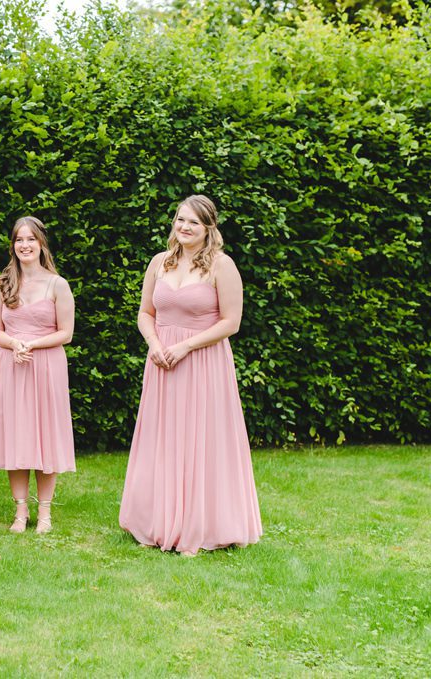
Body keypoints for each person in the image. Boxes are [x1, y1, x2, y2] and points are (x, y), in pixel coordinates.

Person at [120, 196, 263, 554]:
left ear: (208, 228)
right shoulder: (159, 262)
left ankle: (200, 525)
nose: (184, 227)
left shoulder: (222, 265)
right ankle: (158, 521)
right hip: (162, 362)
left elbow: (231, 322)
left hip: (203, 363)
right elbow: (145, 312)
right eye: (180, 220)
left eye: (193, 223)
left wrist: (186, 347)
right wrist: (154, 343)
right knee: (163, 439)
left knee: (200, 439)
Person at [0, 216, 77, 533]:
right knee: (17, 436)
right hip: (12, 365)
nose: (24, 245)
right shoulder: (1, 284)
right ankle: (21, 511)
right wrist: (13, 344)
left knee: (46, 435)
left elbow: (66, 332)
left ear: (41, 244)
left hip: (47, 365)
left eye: (30, 240)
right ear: (13, 246)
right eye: (19, 240)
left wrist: (32, 344)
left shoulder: (57, 284)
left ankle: (46, 512)